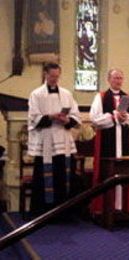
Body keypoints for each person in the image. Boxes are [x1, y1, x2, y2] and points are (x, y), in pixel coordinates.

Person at [28, 62, 81, 216]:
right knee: (44, 179)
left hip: (63, 142)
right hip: (46, 142)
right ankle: (43, 213)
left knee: (64, 177)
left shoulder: (66, 94)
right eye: (52, 76)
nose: (54, 79)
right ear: (45, 74)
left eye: (57, 77)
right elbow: (33, 118)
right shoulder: (36, 94)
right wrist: (51, 117)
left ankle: (64, 213)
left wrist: (66, 120)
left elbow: (76, 116)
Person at [89, 68, 129, 216]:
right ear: (109, 79)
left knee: (124, 172)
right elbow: (94, 119)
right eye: (115, 78)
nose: (118, 81)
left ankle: (124, 207)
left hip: (124, 144)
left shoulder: (128, 98)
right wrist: (112, 117)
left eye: (120, 78)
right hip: (107, 143)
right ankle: (104, 208)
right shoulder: (101, 97)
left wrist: (126, 118)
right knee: (106, 174)